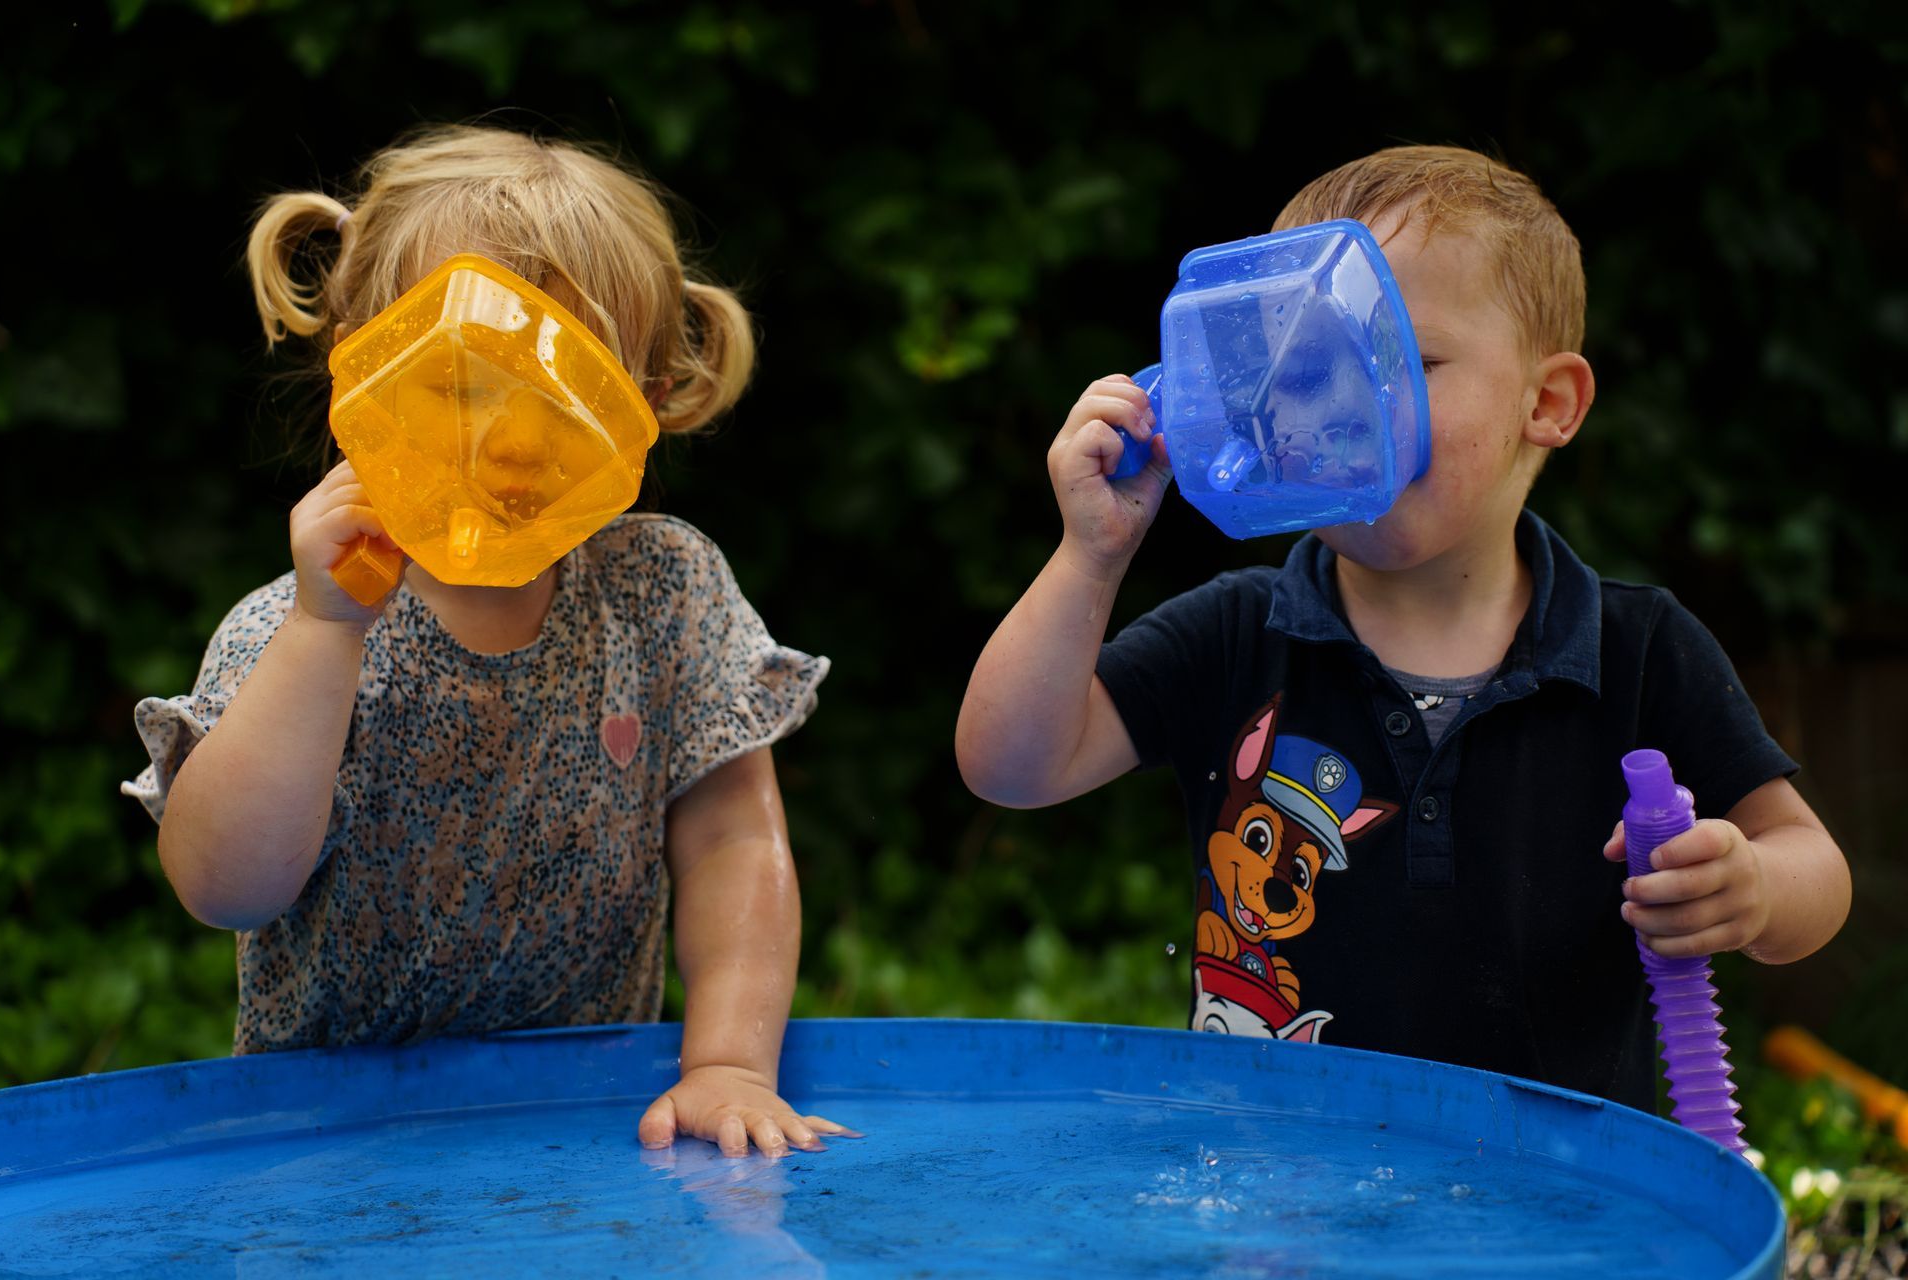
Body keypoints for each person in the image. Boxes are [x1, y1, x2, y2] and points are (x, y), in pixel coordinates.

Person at [955, 146, 1852, 1109]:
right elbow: (1011, 766)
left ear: (1546, 404)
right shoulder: (1238, 632)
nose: (1344, 407)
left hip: (1553, 1212)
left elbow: (1815, 873)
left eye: (1404, 361)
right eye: (1303, 373)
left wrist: (1753, 885)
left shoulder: (1638, 651)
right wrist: (1090, 556)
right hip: (1282, 1208)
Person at [123, 124, 854, 1158]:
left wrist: (727, 1062)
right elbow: (225, 886)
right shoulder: (294, 632)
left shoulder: (662, 595)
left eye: (567, 400)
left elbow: (734, 842)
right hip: (328, 1145)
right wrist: (324, 633)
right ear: (361, 374)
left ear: (643, 410)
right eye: (461, 387)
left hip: (590, 1126)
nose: (509, 441)